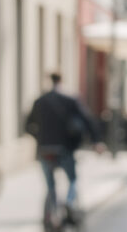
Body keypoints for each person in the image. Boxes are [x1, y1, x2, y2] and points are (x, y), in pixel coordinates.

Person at [25, 72, 103, 217]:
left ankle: (52, 211)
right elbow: (88, 120)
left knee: (50, 185)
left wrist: (40, 138)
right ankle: (69, 202)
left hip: (44, 148)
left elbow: (28, 125)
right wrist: (96, 141)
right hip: (65, 147)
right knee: (72, 179)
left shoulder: (40, 101)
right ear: (61, 81)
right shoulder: (70, 100)